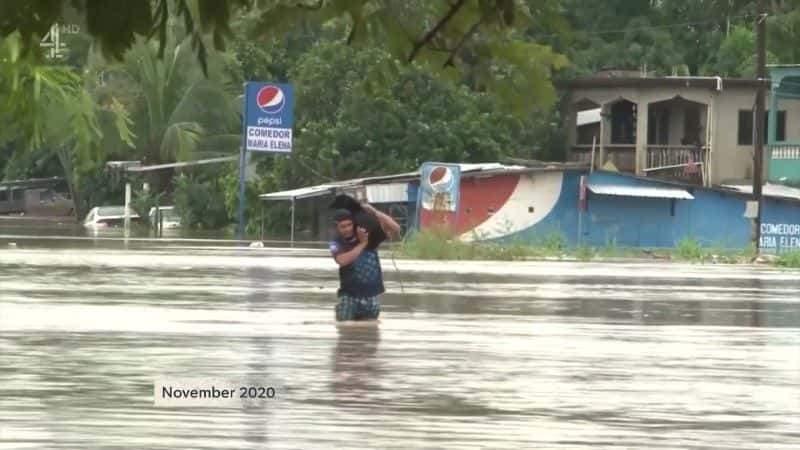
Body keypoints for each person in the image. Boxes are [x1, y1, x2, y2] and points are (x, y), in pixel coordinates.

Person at [328, 203, 400, 323]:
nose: (347, 229)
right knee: (345, 332)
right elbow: (342, 261)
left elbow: (396, 228)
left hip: (371, 295)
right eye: (343, 226)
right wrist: (362, 244)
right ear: (337, 228)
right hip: (349, 296)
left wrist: (374, 212)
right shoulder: (335, 242)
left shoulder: (367, 233)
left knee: (371, 336)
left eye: (349, 225)